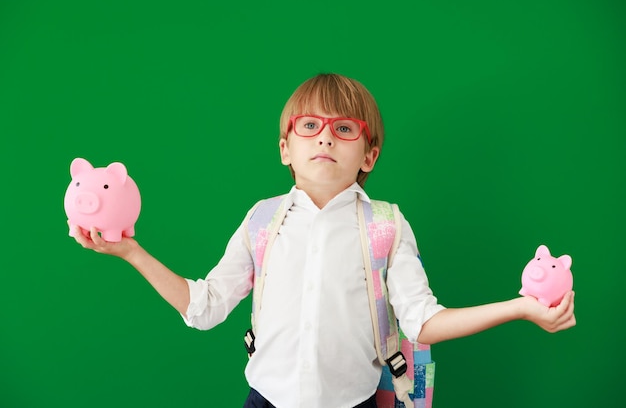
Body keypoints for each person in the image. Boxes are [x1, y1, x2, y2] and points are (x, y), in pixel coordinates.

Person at [70, 73, 576, 408]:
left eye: (344, 128)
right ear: (286, 148)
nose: (326, 137)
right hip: (264, 400)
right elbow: (203, 307)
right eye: (309, 126)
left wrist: (520, 307)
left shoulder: (388, 224)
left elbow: (423, 322)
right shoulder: (262, 220)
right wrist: (130, 251)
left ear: (370, 155)